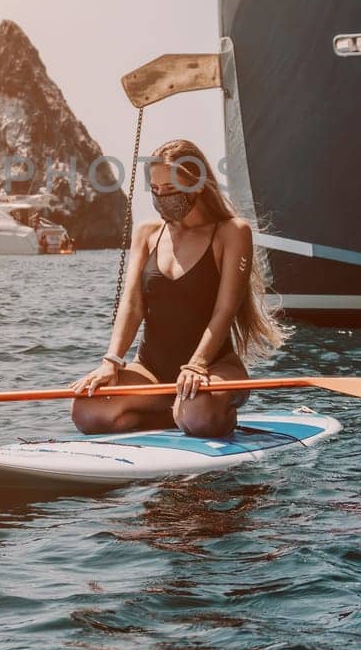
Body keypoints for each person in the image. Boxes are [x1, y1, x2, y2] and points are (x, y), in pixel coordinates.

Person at [69, 139, 283, 438]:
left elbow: (225, 310)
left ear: (196, 186)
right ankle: (175, 412)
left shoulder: (232, 232)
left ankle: (197, 412)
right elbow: (131, 306)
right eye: (155, 190)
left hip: (214, 367)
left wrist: (197, 365)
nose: (161, 199)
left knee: (200, 417)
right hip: (151, 371)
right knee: (86, 411)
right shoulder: (147, 233)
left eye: (169, 190)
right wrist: (111, 362)